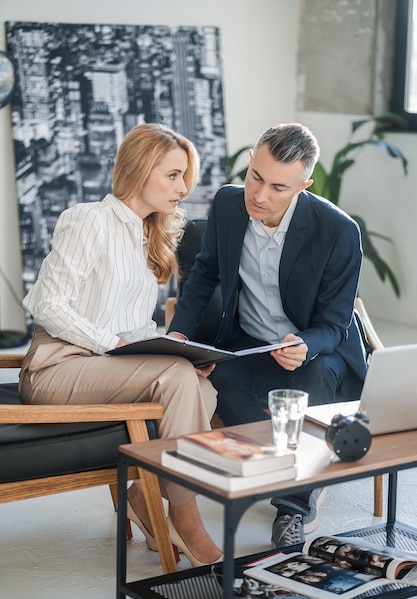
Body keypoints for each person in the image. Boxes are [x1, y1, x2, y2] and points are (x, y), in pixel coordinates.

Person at [18, 123, 222, 567]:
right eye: (172, 175)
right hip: (58, 369)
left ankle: (141, 493)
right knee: (177, 379)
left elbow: (134, 325)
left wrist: (177, 351)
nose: (183, 188)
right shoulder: (87, 219)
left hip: (103, 368)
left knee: (203, 386)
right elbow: (48, 304)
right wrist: (112, 344)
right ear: (139, 170)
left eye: (185, 175)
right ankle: (187, 521)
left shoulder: (145, 236)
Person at [168, 122, 370, 548]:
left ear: (303, 185)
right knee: (218, 379)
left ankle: (293, 507)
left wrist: (306, 345)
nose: (260, 195)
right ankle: (280, 471)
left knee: (309, 383)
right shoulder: (228, 204)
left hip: (318, 348)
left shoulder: (338, 231)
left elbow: (335, 324)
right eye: (255, 176)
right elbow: (203, 274)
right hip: (249, 341)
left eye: (278, 186)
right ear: (250, 163)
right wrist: (180, 335)